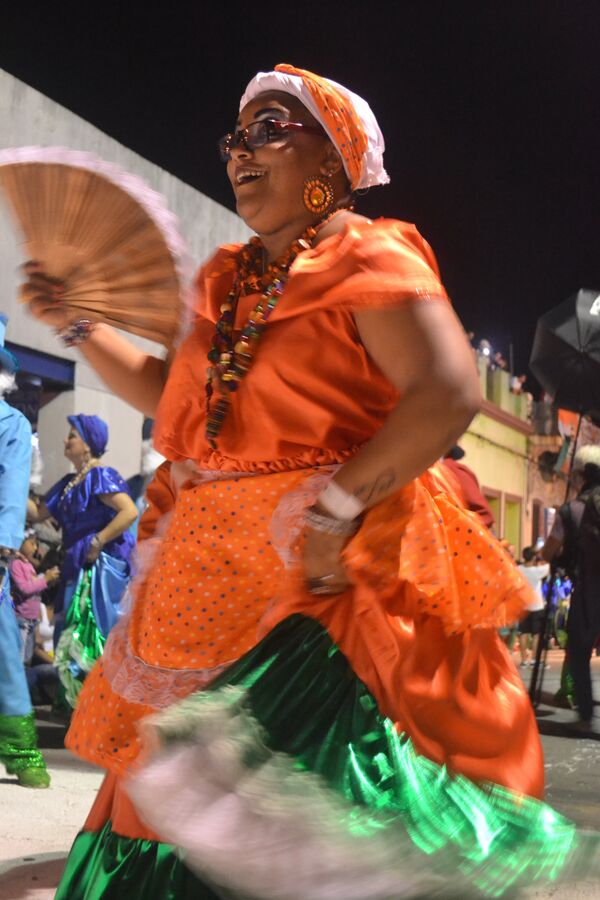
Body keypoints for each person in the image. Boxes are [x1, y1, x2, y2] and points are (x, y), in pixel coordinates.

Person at [24, 65, 589, 898]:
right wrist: (78, 322)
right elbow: (174, 398)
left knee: (284, 806)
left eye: (269, 130)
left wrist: (337, 506)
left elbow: (447, 391)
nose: (240, 153)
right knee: (167, 799)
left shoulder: (369, 252)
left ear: (335, 154)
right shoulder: (227, 279)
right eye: (233, 138)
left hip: (318, 585)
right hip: (202, 591)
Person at [27, 415, 137, 706]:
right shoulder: (69, 482)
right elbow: (37, 513)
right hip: (75, 565)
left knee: (89, 634)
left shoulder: (101, 475)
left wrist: (98, 540)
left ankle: (94, 707)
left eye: (72, 435)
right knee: (68, 632)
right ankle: (73, 706)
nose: (66, 440)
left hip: (96, 569)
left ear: (88, 444)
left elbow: (129, 512)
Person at [0, 314, 50, 788]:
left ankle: (19, 748)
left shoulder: (11, 423)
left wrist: (5, 540)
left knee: (2, 651)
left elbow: (14, 485)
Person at [543, 444, 600, 730]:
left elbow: (549, 552)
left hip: (590, 586)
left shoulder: (572, 509)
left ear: (581, 475)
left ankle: (586, 716)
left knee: (578, 649)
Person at [9, 529, 60, 663]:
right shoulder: (16, 564)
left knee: (26, 658)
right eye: (32, 543)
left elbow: (34, 584)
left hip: (31, 620)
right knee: (18, 660)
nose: (36, 548)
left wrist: (45, 577)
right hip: (21, 619)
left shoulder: (28, 565)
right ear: (21, 542)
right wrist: (45, 579)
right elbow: (25, 588)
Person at [517, 546, 550, 667]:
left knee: (523, 632)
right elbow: (548, 563)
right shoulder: (538, 571)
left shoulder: (518, 569)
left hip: (523, 605)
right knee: (537, 634)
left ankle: (524, 660)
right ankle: (535, 660)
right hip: (537, 605)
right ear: (534, 557)